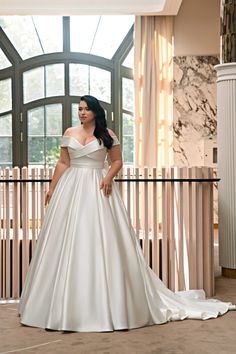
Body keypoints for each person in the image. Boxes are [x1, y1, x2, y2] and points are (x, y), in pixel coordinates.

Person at [18, 95, 235, 332]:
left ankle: (106, 304)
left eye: (86, 109)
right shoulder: (70, 133)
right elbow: (63, 163)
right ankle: (59, 306)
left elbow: (118, 161)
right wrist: (52, 187)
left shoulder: (108, 135)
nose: (81, 113)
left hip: (97, 187)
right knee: (65, 240)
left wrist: (108, 177)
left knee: (101, 240)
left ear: (95, 112)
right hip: (70, 188)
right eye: (79, 109)